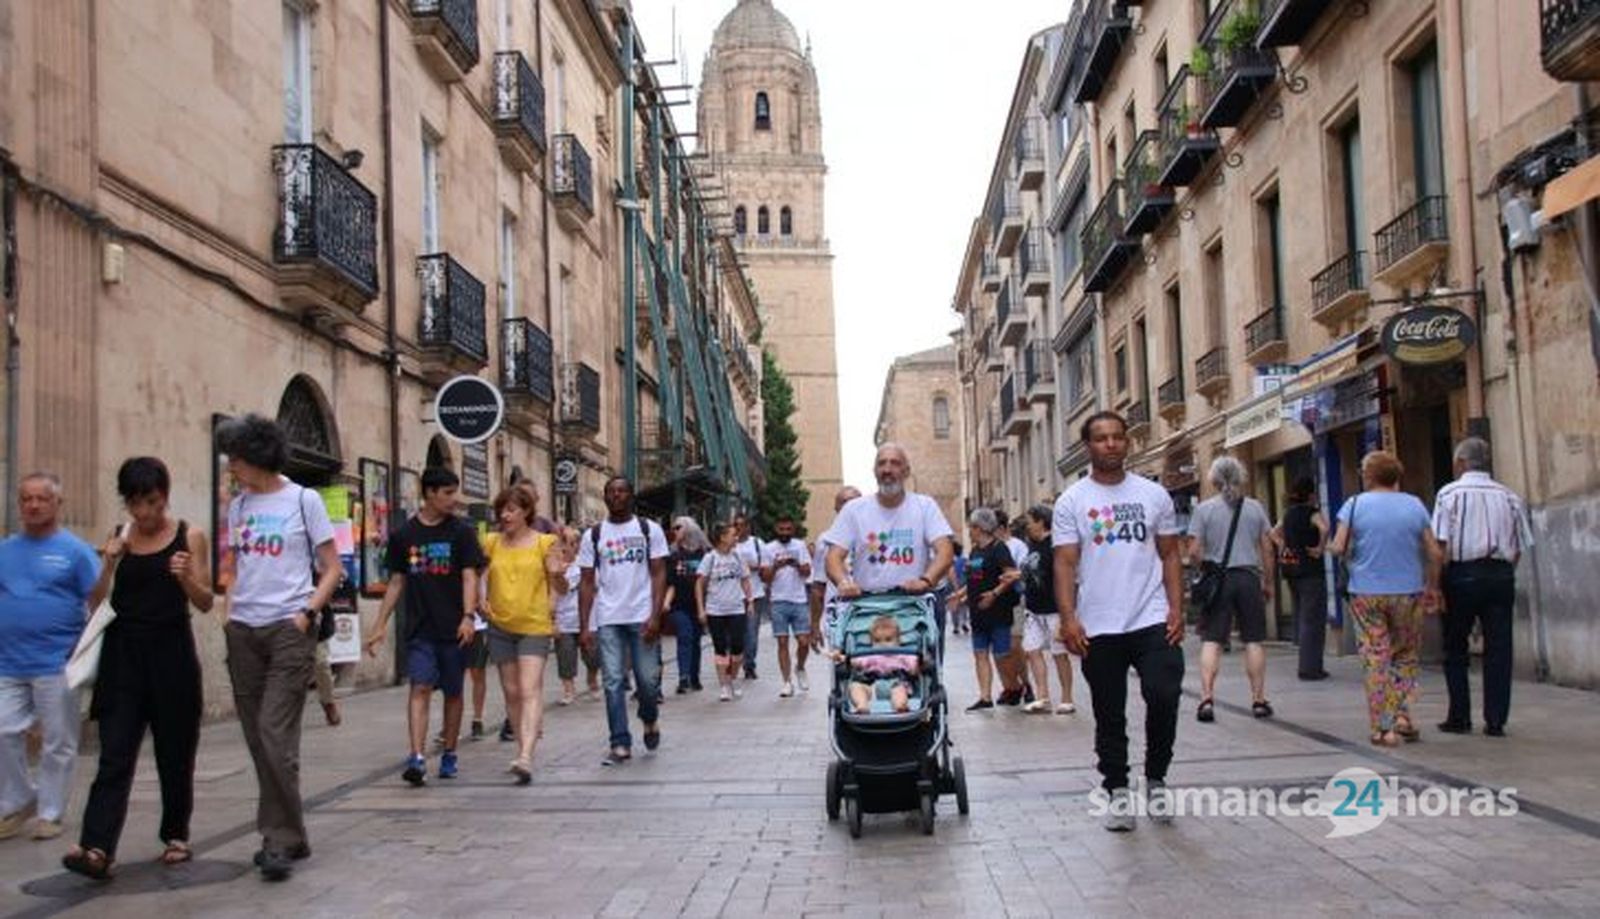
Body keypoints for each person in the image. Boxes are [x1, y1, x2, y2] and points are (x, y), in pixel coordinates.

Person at [63, 459, 212, 879]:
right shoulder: (119, 537)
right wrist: (108, 563)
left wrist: (184, 577)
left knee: (175, 752)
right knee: (114, 753)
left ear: (164, 495)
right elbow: (95, 603)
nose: (144, 513)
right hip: (123, 658)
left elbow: (203, 601)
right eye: (135, 504)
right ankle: (97, 846)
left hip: (172, 656)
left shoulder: (189, 536)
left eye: (151, 502)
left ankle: (176, 835)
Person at [214, 416, 342, 880]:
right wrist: (228, 613)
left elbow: (332, 567)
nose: (231, 468)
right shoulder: (239, 505)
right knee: (258, 739)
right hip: (243, 630)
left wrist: (307, 613)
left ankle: (277, 839)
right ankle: (293, 834)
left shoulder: (303, 500)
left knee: (273, 733)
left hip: (289, 627)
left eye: (237, 460)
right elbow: (234, 564)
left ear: (258, 457)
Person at [1053, 412, 1185, 832]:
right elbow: (1064, 562)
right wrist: (1069, 618)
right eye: (1101, 439)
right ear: (1087, 447)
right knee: (1109, 713)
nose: (1110, 444)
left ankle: (1157, 778)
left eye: (1117, 437)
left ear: (1127, 443)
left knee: (1163, 692)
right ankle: (1118, 792)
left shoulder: (1154, 495)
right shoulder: (1072, 501)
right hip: (1098, 624)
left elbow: (1170, 554)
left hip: (1151, 616)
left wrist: (1177, 609)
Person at [364, 467, 485, 786]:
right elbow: (396, 582)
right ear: (429, 493)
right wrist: (379, 625)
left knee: (454, 694)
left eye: (453, 492)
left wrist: (468, 615)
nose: (452, 499)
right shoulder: (405, 535)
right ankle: (416, 756)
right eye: (447, 493)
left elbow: (470, 576)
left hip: (454, 628)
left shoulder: (461, 532)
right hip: (420, 629)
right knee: (419, 687)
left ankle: (449, 753)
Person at [0, 473, 100, 845]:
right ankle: (19, 798)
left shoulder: (75, 552)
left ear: (58, 504)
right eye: (26, 498)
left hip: (56, 662)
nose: (33, 505)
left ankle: (50, 812)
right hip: (7, 662)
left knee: (58, 741)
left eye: (42, 498)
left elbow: (97, 600)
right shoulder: (5, 550)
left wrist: (84, 648)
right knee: (3, 731)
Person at [1328, 450, 1444, 747]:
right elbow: (1433, 551)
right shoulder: (1415, 505)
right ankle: (1401, 716)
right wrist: (1433, 586)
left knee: (1375, 657)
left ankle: (1383, 726)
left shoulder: (1354, 505)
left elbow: (1339, 546)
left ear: (1368, 476)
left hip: (1366, 592)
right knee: (1404, 655)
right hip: (1408, 591)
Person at [1432, 437, 1531, 738]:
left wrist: (1435, 583)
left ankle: (1460, 716)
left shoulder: (1449, 494)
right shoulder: (1510, 496)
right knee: (1499, 648)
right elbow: (1519, 547)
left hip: (1462, 574)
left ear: (1461, 463)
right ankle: (1496, 720)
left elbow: (1440, 543)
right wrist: (1505, 573)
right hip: (1500, 575)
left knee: (1455, 646)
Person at [577, 476, 670, 767]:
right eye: (611, 492)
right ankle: (619, 742)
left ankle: (650, 718)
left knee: (647, 681)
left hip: (642, 616)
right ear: (605, 498)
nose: (616, 496)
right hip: (609, 618)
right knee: (613, 681)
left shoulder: (648, 530)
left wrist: (655, 616)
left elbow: (658, 574)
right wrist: (584, 626)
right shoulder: (593, 535)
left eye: (622, 491)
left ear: (631, 496)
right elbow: (586, 582)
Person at [481, 484, 566, 785]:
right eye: (502, 510)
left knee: (529, 689)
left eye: (511, 510)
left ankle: (527, 755)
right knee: (512, 692)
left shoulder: (546, 542)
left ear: (526, 512)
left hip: (533, 626)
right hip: (500, 626)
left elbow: (561, 588)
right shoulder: (490, 542)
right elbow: (477, 574)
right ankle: (521, 750)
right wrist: (480, 602)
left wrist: (556, 574)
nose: (505, 515)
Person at [1188, 456, 1277, 722]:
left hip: (1219, 579)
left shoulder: (1204, 510)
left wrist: (1204, 567)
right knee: (1253, 639)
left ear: (1214, 481)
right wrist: (1269, 581)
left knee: (1212, 639)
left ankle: (1206, 698)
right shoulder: (1255, 508)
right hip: (1248, 577)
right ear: (1241, 479)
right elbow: (1267, 549)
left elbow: (1193, 551)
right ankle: (1259, 699)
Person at [824, 443, 954, 607]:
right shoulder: (853, 510)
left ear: (906, 471)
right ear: (874, 472)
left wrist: (926, 581)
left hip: (913, 606)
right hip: (866, 607)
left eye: (895, 463)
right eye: (882, 463)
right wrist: (843, 583)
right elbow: (833, 557)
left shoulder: (925, 506)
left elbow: (945, 550)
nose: (887, 469)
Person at [945, 508, 1017, 711]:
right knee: (980, 653)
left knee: (1002, 655)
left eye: (971, 528)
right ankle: (985, 696)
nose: (969, 532)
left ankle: (1015, 687)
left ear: (980, 528)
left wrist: (994, 594)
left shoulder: (999, 549)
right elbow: (974, 580)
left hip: (998, 610)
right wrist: (959, 595)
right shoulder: (975, 551)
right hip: (978, 612)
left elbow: (1010, 575)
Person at [1017, 505, 1075, 715]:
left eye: (1030, 520)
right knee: (1032, 650)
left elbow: (1064, 577)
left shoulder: (1055, 546)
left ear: (1041, 521)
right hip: (1033, 608)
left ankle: (1067, 698)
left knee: (1059, 653)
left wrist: (1067, 612)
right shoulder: (1032, 545)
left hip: (1054, 608)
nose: (1027, 524)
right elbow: (1030, 572)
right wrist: (1017, 576)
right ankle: (1043, 697)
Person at [1273, 477, 1329, 681]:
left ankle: (1306, 660)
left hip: (1291, 571)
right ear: (1311, 495)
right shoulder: (1311, 513)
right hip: (1311, 570)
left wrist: (1283, 546)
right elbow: (1324, 528)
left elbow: (1273, 533)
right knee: (1312, 620)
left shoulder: (1288, 514)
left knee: (1301, 615)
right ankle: (1310, 668)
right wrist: (1320, 548)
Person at [697, 522, 755, 701]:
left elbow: (745, 579)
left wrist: (750, 600)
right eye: (732, 535)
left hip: (736, 608)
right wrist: (701, 608)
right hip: (715, 610)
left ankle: (733, 679)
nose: (736, 538)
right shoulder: (710, 558)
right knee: (720, 648)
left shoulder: (737, 556)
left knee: (738, 647)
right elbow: (699, 583)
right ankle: (724, 685)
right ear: (722, 537)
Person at [763, 514, 813, 697]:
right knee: (782, 641)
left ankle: (800, 667)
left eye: (788, 529)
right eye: (781, 529)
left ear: (793, 529)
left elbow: (807, 572)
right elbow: (765, 577)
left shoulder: (800, 546)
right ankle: (786, 682)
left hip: (799, 599)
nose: (785, 532)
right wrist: (776, 566)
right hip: (778, 600)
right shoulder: (768, 549)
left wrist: (796, 564)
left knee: (804, 641)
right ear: (776, 529)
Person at [830, 615, 919, 714]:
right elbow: (856, 661)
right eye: (877, 640)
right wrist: (842, 658)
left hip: (896, 683)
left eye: (888, 639)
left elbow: (914, 667)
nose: (883, 644)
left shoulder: (903, 655)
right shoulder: (870, 656)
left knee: (899, 691)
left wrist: (919, 665)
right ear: (871, 642)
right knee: (855, 686)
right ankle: (862, 705)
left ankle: (900, 706)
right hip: (872, 685)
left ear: (898, 641)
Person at [807, 486, 861, 646]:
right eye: (845, 502)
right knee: (842, 667)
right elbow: (818, 586)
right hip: (838, 615)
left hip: (870, 612)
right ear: (836, 508)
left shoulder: (875, 537)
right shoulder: (826, 540)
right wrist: (815, 624)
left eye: (855, 502)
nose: (850, 506)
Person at [662, 517, 709, 694]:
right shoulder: (673, 555)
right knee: (685, 635)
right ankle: (683, 677)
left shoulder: (704, 554)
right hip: (679, 604)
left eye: (678, 527)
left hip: (698, 604)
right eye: (673, 528)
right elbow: (671, 582)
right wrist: (666, 602)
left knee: (696, 640)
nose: (674, 531)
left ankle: (694, 676)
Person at [552, 528, 597, 705]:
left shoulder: (586, 566)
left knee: (593, 657)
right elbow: (551, 594)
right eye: (561, 543)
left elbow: (596, 589)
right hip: (564, 621)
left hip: (588, 621)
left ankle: (592, 679)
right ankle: (569, 690)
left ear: (577, 545)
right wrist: (552, 621)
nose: (565, 548)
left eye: (569, 543)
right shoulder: (553, 567)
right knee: (565, 658)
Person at [734, 513, 768, 680]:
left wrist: (752, 567)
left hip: (754, 594)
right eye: (736, 525)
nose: (738, 528)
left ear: (748, 527)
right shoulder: (730, 544)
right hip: (733, 595)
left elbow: (765, 565)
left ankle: (749, 665)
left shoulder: (757, 543)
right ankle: (733, 662)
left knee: (751, 632)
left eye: (741, 525)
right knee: (735, 633)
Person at [947, 540, 970, 635]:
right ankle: (964, 621)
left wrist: (955, 586)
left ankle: (956, 626)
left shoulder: (950, 561)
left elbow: (951, 574)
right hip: (964, 584)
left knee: (953, 605)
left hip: (953, 585)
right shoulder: (965, 560)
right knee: (963, 605)